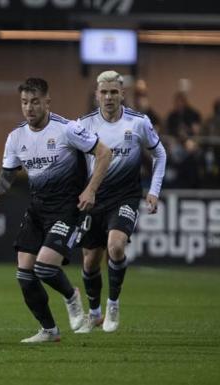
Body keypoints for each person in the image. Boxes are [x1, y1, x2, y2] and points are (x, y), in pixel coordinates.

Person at [0, 78, 112, 343]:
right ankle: (49, 330)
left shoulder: (68, 129)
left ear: (46, 102)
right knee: (24, 274)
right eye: (24, 102)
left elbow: (105, 153)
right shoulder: (16, 136)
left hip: (67, 209)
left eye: (34, 102)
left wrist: (91, 190)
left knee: (44, 267)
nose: (29, 108)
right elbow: (8, 174)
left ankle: (71, 296)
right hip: (37, 210)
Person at [75, 71, 167, 333]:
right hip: (94, 199)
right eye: (104, 92)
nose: (108, 97)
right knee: (90, 260)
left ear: (122, 94)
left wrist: (154, 190)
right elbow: (74, 161)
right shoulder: (84, 124)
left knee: (115, 247)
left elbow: (160, 154)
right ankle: (94, 314)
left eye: (114, 92)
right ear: (96, 95)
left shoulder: (138, 122)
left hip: (125, 197)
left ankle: (113, 304)